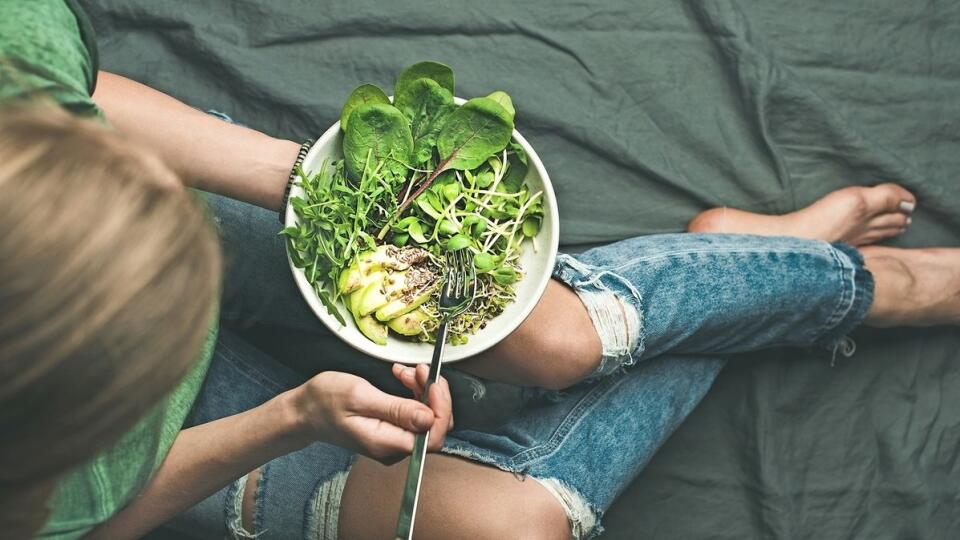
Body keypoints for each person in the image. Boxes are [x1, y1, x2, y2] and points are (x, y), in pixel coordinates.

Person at [3, 2, 960, 539]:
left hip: (143, 202)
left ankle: (883, 287)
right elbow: (88, 527)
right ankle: (764, 264)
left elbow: (71, 93)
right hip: (158, 437)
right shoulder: (40, 486)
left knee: (549, 339)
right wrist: (284, 421)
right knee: (505, 532)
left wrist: (319, 188)